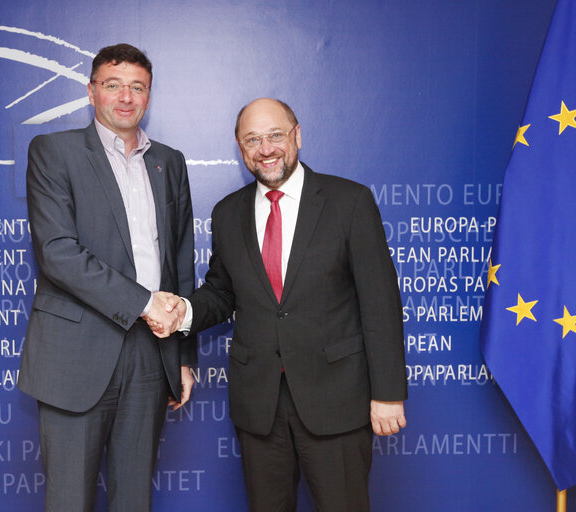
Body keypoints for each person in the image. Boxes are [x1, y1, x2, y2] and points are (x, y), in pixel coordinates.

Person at [152, 98, 407, 511]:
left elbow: (380, 303)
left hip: (336, 400)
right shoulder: (228, 213)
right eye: (252, 139)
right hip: (260, 407)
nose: (265, 149)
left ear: (297, 137)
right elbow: (221, 292)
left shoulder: (349, 202)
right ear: (240, 148)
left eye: (275, 136)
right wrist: (185, 311)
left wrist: (388, 394)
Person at [18, 43, 195, 512]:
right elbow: (57, 253)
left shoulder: (170, 162)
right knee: (70, 501)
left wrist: (182, 352)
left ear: (149, 96)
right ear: (91, 92)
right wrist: (144, 301)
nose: (125, 97)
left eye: (137, 87)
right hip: (76, 353)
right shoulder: (53, 152)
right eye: (112, 85)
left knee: (134, 498)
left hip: (151, 351)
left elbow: (180, 259)